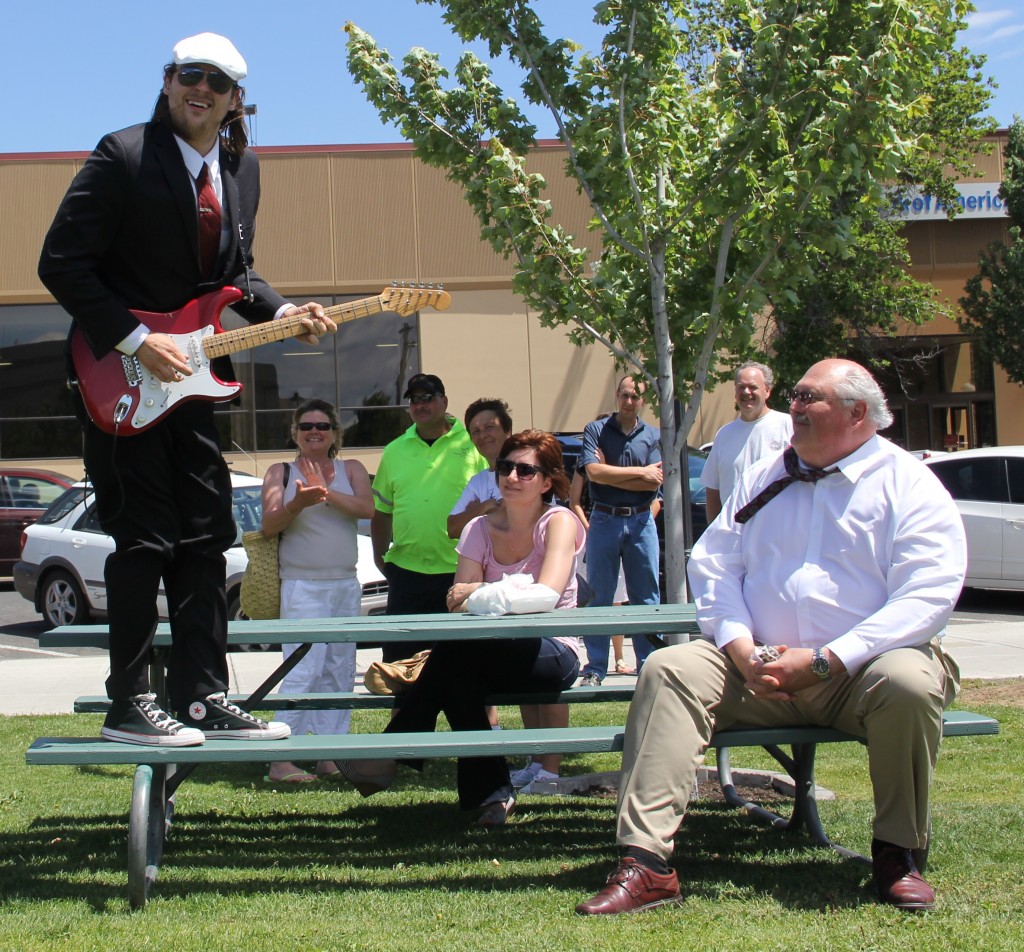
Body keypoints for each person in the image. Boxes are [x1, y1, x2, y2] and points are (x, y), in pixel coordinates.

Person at [576, 359, 967, 916]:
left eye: (811, 398)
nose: (797, 407)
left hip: (862, 674)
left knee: (909, 681)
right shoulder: (767, 474)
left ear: (858, 414)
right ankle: (646, 864)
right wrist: (738, 645)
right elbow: (715, 565)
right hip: (755, 668)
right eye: (799, 397)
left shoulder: (909, 485)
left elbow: (927, 596)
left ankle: (898, 857)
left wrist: (829, 659)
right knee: (670, 668)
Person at [37, 33, 334, 746]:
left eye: (219, 82)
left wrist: (283, 311)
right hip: (122, 380)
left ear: (236, 100)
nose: (202, 89)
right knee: (142, 541)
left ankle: (202, 695)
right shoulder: (123, 155)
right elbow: (62, 264)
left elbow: (236, 272)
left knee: (207, 537)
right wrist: (139, 342)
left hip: (197, 386)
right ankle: (129, 704)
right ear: (169, 82)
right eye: (190, 75)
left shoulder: (242, 167)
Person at [341, 430, 586, 826]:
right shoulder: (478, 528)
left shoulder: (558, 522)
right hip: (486, 650)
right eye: (505, 467)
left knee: (453, 655)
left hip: (553, 650)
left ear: (547, 481)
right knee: (456, 678)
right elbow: (456, 601)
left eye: (525, 470)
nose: (511, 476)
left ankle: (392, 749)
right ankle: (493, 799)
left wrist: (485, 591)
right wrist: (504, 593)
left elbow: (545, 597)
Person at [260, 400, 374, 783]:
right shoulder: (280, 471)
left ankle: (330, 753)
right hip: (302, 586)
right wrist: (298, 501)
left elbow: (366, 509)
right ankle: (282, 759)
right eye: (306, 425)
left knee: (338, 670)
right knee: (301, 670)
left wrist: (325, 492)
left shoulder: (351, 469)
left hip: (343, 583)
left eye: (322, 426)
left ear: (334, 433)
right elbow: (271, 524)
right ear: (294, 433)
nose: (314, 431)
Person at [370, 373, 486, 662]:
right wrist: (380, 559)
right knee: (399, 669)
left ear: (444, 402)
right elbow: (382, 512)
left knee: (465, 670)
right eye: (413, 400)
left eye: (428, 398)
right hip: (406, 575)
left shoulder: (474, 446)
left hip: (461, 573)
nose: (420, 405)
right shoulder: (395, 450)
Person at [577, 376, 663, 686]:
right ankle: (596, 667)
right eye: (625, 395)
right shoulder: (595, 430)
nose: (629, 401)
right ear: (617, 395)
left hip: (641, 521)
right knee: (598, 595)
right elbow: (593, 472)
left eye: (635, 396)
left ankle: (648, 666)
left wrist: (609, 475)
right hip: (604, 519)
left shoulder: (652, 436)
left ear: (643, 401)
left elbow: (654, 482)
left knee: (646, 597)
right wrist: (639, 472)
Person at [702, 360, 793, 522]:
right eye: (741, 387)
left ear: (767, 391)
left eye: (753, 387)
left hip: (777, 528)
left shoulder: (788, 426)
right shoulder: (724, 434)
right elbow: (713, 490)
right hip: (734, 530)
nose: (746, 392)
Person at [570, 462, 632, 674]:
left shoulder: (627, 464)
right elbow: (574, 501)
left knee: (616, 600)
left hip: (620, 535)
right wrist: (589, 528)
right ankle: (589, 658)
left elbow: (654, 502)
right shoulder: (584, 466)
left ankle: (619, 657)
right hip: (590, 537)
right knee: (586, 598)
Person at [446, 398, 513, 542]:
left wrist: (472, 514)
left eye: (489, 427)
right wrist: (486, 506)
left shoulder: (527, 472)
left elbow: (518, 523)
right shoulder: (478, 482)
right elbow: (452, 529)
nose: (482, 435)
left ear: (507, 431)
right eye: (475, 431)